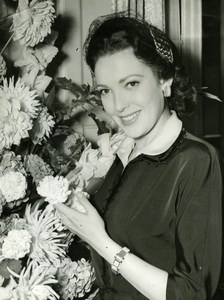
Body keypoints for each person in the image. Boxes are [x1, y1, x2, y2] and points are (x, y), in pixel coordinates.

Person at [55, 12, 223, 300]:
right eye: (106, 90)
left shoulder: (195, 160)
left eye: (131, 83)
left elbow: (192, 293)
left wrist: (98, 239)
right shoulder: (123, 150)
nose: (118, 106)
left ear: (165, 80)